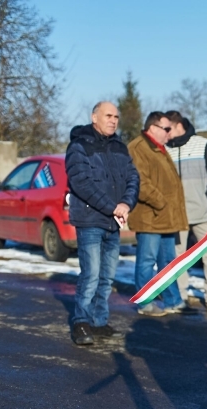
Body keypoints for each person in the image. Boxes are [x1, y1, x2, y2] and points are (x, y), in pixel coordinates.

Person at [65, 102, 140, 345]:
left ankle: (99, 321)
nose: (113, 120)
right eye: (108, 115)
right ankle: (81, 323)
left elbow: (133, 178)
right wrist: (113, 207)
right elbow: (82, 183)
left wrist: (126, 204)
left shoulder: (119, 147)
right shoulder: (79, 146)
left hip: (113, 222)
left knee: (107, 276)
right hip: (90, 221)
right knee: (91, 274)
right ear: (94, 116)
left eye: (116, 116)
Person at [128, 112, 195, 316]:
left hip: (165, 218)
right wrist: (161, 202)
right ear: (153, 128)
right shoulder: (138, 148)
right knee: (147, 260)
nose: (169, 133)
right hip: (150, 217)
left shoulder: (159, 148)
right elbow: (141, 182)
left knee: (168, 261)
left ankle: (173, 301)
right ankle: (145, 302)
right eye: (166, 129)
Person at [164, 110, 207, 311]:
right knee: (177, 257)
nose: (165, 132)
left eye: (167, 128)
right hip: (175, 215)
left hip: (202, 212)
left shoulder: (201, 144)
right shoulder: (163, 149)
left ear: (178, 125)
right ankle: (180, 297)